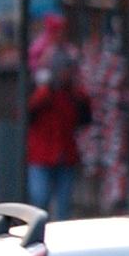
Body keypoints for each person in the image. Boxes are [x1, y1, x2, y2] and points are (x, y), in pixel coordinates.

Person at [26, 15, 89, 220]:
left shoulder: (72, 94)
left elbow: (84, 116)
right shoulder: (43, 90)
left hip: (65, 154)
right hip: (41, 153)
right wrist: (45, 89)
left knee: (63, 207)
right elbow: (29, 113)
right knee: (40, 198)